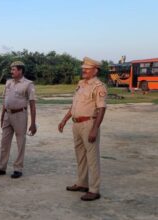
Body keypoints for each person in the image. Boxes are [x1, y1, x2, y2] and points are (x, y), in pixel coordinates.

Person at [58, 57, 107, 201]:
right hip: (76, 124)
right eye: (83, 68)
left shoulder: (98, 86)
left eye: (87, 68)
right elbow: (74, 105)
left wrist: (94, 129)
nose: (83, 70)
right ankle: (82, 183)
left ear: (95, 70)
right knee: (80, 156)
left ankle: (94, 189)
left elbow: (101, 109)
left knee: (92, 158)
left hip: (89, 124)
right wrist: (65, 119)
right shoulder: (81, 84)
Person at [0, 61, 37, 179]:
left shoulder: (28, 84)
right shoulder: (8, 82)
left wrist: (33, 123)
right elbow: (5, 100)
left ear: (20, 71)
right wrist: (2, 116)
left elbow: (32, 104)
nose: (11, 72)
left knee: (20, 142)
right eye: (11, 70)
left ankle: (18, 168)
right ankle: (1, 167)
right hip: (7, 115)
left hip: (20, 115)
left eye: (14, 70)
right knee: (4, 142)